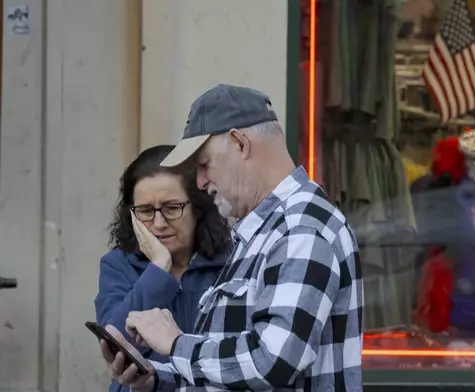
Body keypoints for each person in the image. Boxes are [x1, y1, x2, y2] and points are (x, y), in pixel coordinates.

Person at [99, 84, 364, 391]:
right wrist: (158, 379)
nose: (200, 182)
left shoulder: (300, 227)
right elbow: (233, 363)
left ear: (240, 143)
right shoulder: (268, 228)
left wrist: (176, 344)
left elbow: (273, 362)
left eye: (204, 164)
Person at [94, 145, 231, 392]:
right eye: (146, 211)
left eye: (171, 208)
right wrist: (159, 266)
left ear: (198, 207)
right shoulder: (118, 265)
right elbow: (115, 340)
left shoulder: (231, 261)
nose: (158, 224)